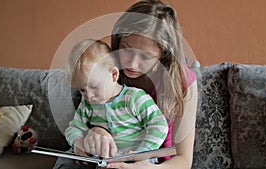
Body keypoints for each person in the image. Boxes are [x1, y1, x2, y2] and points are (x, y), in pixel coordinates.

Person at [81, 0, 198, 169]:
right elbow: (86, 117)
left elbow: (184, 160)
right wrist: (95, 131)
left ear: (163, 56)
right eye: (127, 50)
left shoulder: (183, 81)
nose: (132, 64)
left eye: (145, 57)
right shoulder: (107, 68)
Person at [54, 39, 169, 169]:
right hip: (103, 159)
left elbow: (159, 125)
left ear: (114, 75)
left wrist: (142, 152)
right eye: (82, 90)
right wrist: (78, 143)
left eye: (94, 86)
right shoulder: (88, 104)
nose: (89, 96)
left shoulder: (134, 97)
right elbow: (74, 127)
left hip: (136, 159)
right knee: (65, 161)